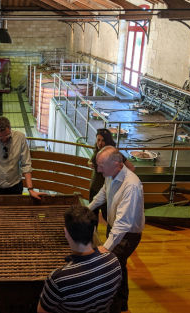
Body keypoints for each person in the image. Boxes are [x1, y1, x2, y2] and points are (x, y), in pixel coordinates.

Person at [88, 146, 145, 313]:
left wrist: (106, 247)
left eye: (101, 166)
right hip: (115, 229)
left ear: (118, 165)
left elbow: (124, 223)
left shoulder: (131, 186)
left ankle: (116, 306)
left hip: (128, 234)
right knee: (118, 266)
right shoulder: (110, 175)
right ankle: (121, 305)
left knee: (111, 266)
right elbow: (103, 194)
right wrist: (88, 209)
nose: (98, 170)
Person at [37, 205, 122, 313]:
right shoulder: (113, 261)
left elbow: (42, 311)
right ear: (94, 230)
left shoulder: (58, 279)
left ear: (66, 233)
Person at [87, 128, 135, 225]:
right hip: (95, 188)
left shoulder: (114, 154)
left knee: (108, 217)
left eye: (103, 140)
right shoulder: (97, 152)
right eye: (98, 140)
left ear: (108, 141)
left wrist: (119, 179)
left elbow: (131, 168)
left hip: (108, 190)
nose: (100, 143)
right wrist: (90, 163)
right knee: (92, 218)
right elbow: (91, 162)